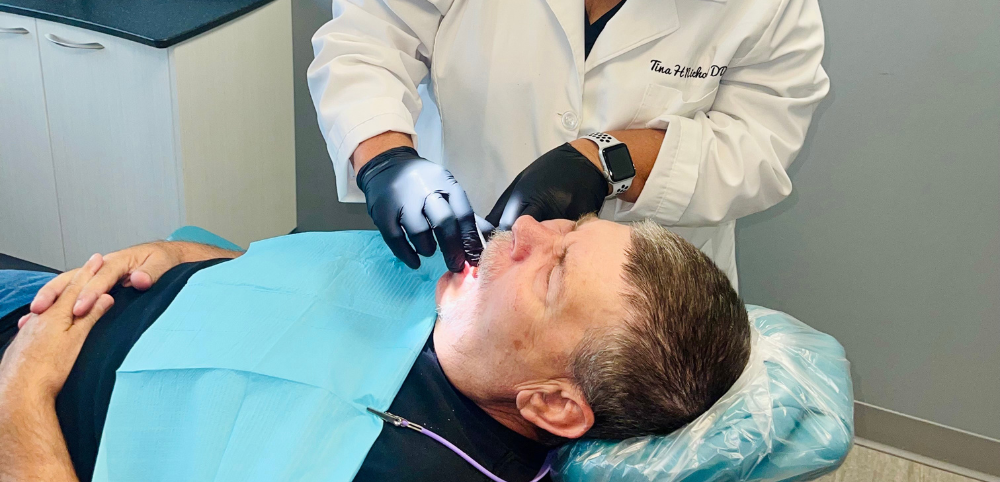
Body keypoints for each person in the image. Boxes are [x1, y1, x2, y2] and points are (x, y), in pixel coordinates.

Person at [308, 0, 830, 283]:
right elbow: (368, 36)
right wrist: (386, 158)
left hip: (644, 303)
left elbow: (761, 144)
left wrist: (607, 160)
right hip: (470, 264)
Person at [0, 216, 750, 482]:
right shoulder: (451, 296)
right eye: (570, 228)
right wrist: (172, 251)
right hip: (76, 297)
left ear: (553, 402)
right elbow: (276, 276)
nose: (526, 232)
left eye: (552, 272)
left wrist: (23, 395)